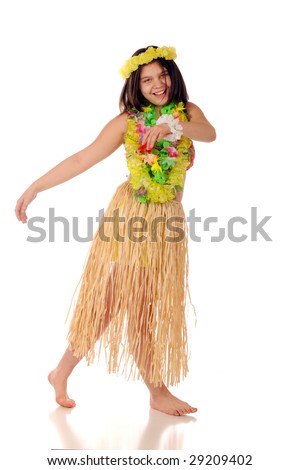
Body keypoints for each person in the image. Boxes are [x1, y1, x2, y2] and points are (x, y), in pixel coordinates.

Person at [15, 45, 216, 416]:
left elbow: (209, 134)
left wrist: (171, 125)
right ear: (136, 86)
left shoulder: (187, 113)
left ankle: (60, 372)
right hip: (133, 217)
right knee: (137, 303)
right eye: (147, 79)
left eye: (163, 75)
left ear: (174, 74)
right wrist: (36, 187)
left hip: (167, 220)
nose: (158, 84)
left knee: (111, 303)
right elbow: (82, 157)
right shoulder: (126, 122)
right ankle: (157, 392)